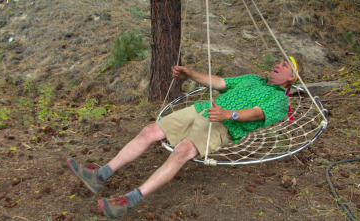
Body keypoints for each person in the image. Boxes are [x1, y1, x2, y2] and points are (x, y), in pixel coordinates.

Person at [67, 56, 299, 218]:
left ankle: (128, 201)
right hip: (201, 109)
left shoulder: (280, 98)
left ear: (292, 77)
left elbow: (257, 113)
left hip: (224, 125)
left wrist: (229, 114)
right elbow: (220, 82)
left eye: (284, 65)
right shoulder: (252, 78)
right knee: (150, 131)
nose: (277, 65)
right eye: (279, 61)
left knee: (181, 152)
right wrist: (190, 74)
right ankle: (99, 176)